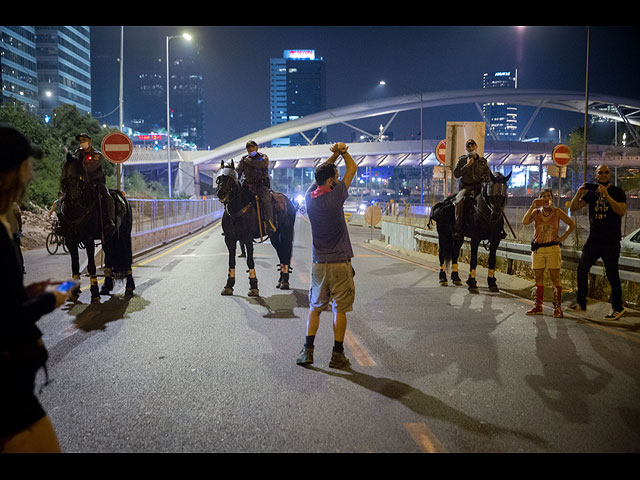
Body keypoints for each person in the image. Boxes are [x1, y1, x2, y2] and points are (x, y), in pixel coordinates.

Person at [0, 123, 72, 453]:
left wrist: (23, 293)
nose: (30, 175)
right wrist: (49, 299)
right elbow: (7, 319)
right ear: (9, 173)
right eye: (26, 167)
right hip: (7, 387)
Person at [297, 142, 357, 369]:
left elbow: (318, 175)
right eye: (336, 176)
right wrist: (343, 152)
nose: (339, 178)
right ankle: (337, 354)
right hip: (340, 263)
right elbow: (353, 169)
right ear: (331, 180)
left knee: (315, 307)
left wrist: (332, 158)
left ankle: (307, 351)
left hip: (319, 263)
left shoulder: (310, 198)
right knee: (339, 309)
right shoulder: (337, 196)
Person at [569, 165, 627, 320]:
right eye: (600, 172)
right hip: (594, 239)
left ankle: (617, 307)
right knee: (582, 269)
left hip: (611, 240)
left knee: (612, 274)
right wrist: (578, 193)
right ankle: (581, 302)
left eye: (606, 172)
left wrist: (607, 196)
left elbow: (621, 211)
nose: (603, 174)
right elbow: (574, 208)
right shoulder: (591, 193)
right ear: (595, 175)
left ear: (609, 174)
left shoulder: (617, 192)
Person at [522, 188, 576, 317]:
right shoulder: (536, 212)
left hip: (553, 248)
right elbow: (525, 221)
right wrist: (533, 205)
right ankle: (538, 306)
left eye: (548, 196)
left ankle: (557, 308)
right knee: (538, 279)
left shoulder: (557, 212)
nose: (546, 199)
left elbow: (572, 224)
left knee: (555, 279)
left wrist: (562, 237)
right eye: (543, 197)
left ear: (552, 199)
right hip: (538, 249)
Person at [67, 133, 116, 236]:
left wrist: (80, 165)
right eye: (80, 141)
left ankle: (109, 220)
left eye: (84, 140)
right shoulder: (77, 153)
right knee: (67, 194)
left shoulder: (97, 155)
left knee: (106, 196)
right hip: (81, 181)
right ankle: (65, 222)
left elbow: (91, 168)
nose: (82, 143)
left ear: (89, 142)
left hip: (96, 182)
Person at [453, 139, 492, 240]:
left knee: (493, 200)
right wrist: (466, 166)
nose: (471, 148)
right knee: (459, 202)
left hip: (479, 187)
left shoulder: (483, 162)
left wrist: (486, 178)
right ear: (466, 148)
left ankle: (496, 228)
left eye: (472, 146)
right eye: (469, 147)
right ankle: (458, 229)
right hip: (466, 187)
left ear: (476, 147)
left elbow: (488, 175)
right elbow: (456, 174)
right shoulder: (462, 160)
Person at [236, 140, 276, 236]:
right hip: (247, 186)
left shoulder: (263, 157)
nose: (251, 151)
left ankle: (269, 223)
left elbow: (262, 164)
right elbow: (238, 170)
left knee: (266, 200)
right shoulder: (243, 159)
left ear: (257, 148)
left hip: (260, 186)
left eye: (252, 149)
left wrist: (249, 162)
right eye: (249, 150)